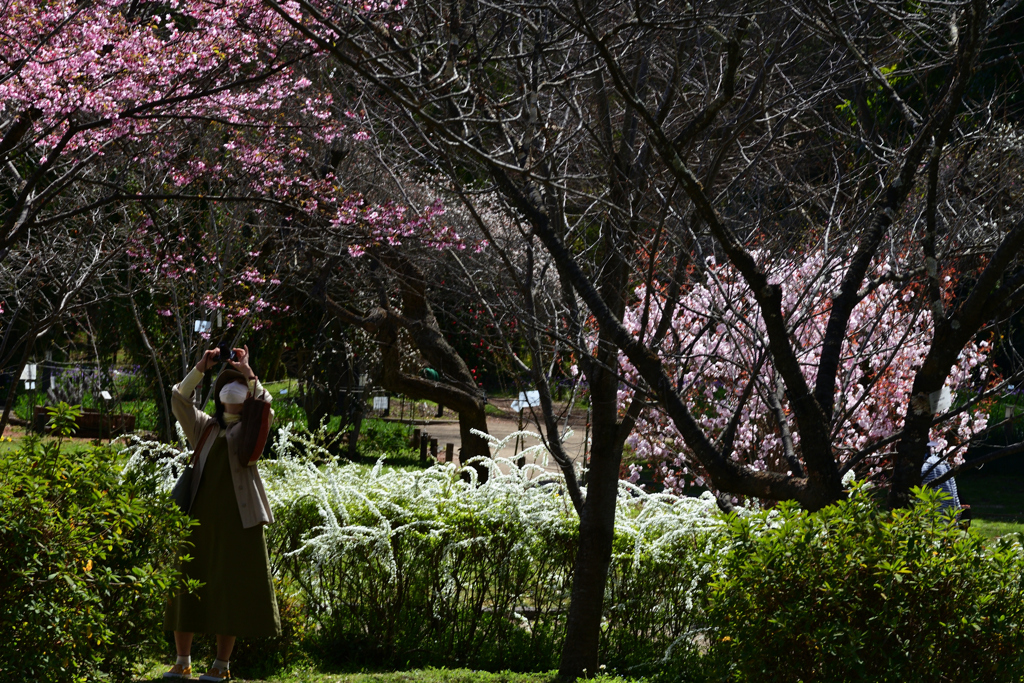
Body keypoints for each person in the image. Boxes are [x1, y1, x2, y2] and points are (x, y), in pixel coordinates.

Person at [163, 345, 280, 682]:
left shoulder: (250, 429)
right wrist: (201, 367)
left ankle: (221, 666)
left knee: (228, 590)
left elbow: (266, 408)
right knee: (186, 586)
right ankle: (182, 660)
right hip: (198, 519)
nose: (233, 388)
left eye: (238, 385)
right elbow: (179, 400)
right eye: (227, 383)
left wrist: (249, 373)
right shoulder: (204, 427)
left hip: (238, 523)